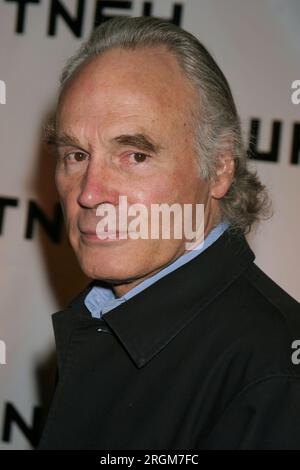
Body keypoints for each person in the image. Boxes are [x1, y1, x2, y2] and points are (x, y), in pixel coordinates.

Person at [38, 16, 300, 450]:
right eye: (77, 154)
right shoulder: (101, 324)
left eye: (135, 155)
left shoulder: (276, 376)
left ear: (219, 169)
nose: (89, 193)